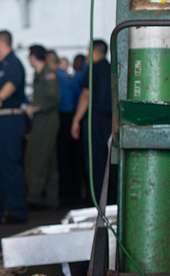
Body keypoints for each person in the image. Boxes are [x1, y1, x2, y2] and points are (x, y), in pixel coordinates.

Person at [0, 30, 27, 223]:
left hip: (10, 121)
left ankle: (16, 210)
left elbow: (12, 84)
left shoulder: (13, 63)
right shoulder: (1, 65)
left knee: (10, 166)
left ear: (0, 42)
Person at [71, 39, 112, 203]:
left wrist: (76, 120)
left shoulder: (92, 69)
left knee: (94, 163)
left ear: (94, 50)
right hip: (110, 122)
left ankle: (95, 200)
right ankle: (110, 199)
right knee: (108, 161)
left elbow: (86, 96)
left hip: (95, 122)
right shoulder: (113, 68)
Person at [24, 45, 60, 209]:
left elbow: (53, 99)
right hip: (42, 121)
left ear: (33, 57)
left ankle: (34, 196)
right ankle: (52, 198)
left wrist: (35, 107)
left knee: (38, 157)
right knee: (49, 159)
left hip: (46, 121)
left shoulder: (47, 74)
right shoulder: (39, 74)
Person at [49, 51, 84, 206]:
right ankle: (75, 195)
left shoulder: (56, 76)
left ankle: (66, 196)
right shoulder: (72, 78)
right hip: (76, 117)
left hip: (63, 119)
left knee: (62, 159)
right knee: (75, 159)